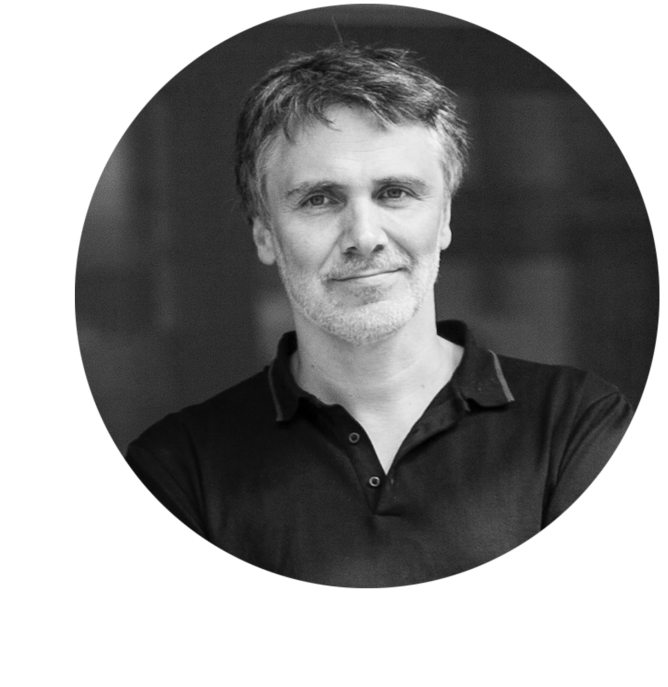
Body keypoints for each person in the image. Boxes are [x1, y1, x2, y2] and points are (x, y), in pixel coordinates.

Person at [125, 44, 634, 588]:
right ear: (265, 234)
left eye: (395, 193)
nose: (364, 238)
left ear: (444, 218)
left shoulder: (575, 425)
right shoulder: (180, 468)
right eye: (320, 199)